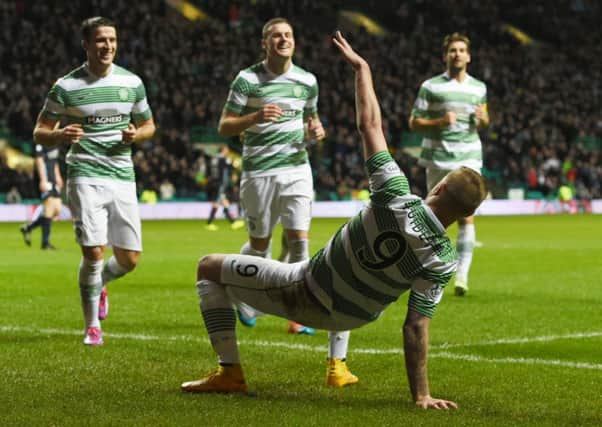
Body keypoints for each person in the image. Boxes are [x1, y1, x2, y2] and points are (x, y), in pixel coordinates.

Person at [181, 31, 487, 410]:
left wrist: (363, 70)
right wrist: (421, 395)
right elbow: (415, 327)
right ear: (467, 214)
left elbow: (370, 126)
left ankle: (230, 371)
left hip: (305, 291)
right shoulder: (443, 260)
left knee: (208, 268)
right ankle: (336, 363)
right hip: (354, 317)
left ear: (438, 187)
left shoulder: (395, 195)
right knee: (334, 262)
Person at [217, 17, 356, 385]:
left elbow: (311, 120)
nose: (284, 40)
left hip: (297, 170)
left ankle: (298, 313)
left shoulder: (307, 81)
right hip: (259, 173)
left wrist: (317, 131)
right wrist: (255, 117)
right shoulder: (248, 80)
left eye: (289, 35)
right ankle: (240, 294)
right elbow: (224, 126)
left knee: (299, 242)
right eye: (277, 36)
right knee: (260, 246)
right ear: (264, 43)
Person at [32, 16, 156, 346]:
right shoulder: (66, 87)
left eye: (112, 40)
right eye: (101, 40)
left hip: (122, 176)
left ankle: (101, 284)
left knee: (130, 259)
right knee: (93, 252)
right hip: (85, 174)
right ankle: (92, 327)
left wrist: (136, 134)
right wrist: (59, 134)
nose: (108, 46)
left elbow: (149, 126)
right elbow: (39, 132)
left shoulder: (132, 83)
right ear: (86, 44)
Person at [409, 32, 490, 296]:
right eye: (452, 50)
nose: (457, 54)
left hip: (468, 156)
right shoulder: (430, 87)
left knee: (467, 217)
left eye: (461, 50)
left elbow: (485, 121)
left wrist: (483, 118)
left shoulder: (479, 88)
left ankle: (462, 277)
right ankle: (431, 273)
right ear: (445, 56)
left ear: (469, 56)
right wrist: (439, 122)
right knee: (433, 218)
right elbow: (414, 122)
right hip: (438, 158)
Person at [20, 143, 64, 250]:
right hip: (45, 180)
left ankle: (28, 227)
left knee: (57, 209)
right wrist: (43, 180)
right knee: (48, 210)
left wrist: (58, 176)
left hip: (53, 180)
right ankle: (45, 243)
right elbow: (39, 162)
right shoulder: (41, 143)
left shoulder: (54, 143)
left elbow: (55, 162)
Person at [204, 145, 245, 231]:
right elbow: (232, 167)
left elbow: (207, 172)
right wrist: (235, 170)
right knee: (217, 202)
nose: (228, 152)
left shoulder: (213, 159)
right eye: (227, 150)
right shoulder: (224, 159)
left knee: (224, 201)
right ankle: (209, 223)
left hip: (213, 183)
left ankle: (233, 222)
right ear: (223, 150)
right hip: (220, 184)